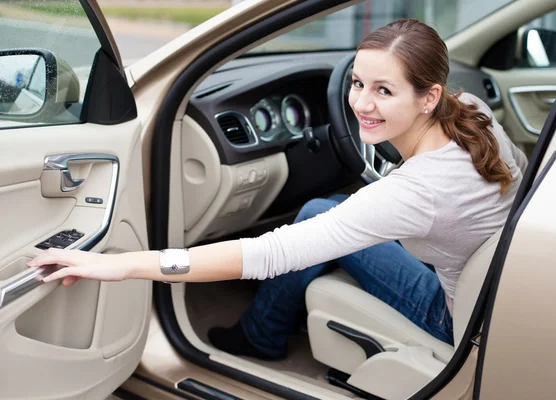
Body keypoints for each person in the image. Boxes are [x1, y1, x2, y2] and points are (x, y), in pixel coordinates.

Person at [28, 19, 528, 361]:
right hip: (499, 294)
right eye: (357, 83)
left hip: (454, 314)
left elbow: (271, 252)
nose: (361, 105)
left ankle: (258, 335)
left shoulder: (413, 193)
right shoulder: (471, 114)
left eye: (384, 91)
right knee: (318, 206)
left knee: (311, 218)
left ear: (429, 96)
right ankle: (265, 328)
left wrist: (122, 264)